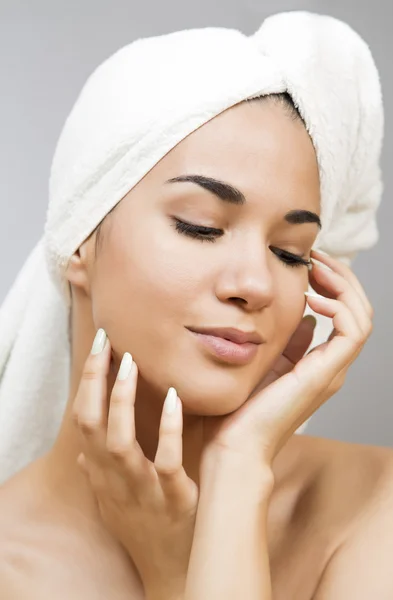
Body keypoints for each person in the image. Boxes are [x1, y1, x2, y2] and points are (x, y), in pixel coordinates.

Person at [0, 11, 392, 600]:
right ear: (80, 239)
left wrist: (233, 479)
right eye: (200, 226)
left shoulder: (372, 506)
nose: (255, 284)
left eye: (290, 253)